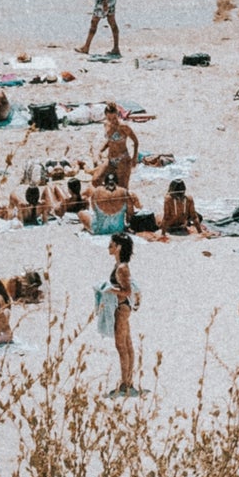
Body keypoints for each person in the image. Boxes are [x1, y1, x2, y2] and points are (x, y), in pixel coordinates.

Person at [104, 235, 138, 395]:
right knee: (127, 344)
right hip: (122, 307)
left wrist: (109, 290)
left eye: (112, 244)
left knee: (122, 346)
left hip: (121, 308)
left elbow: (127, 291)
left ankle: (126, 382)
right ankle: (127, 380)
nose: (109, 247)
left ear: (118, 247)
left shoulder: (122, 268)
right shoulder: (119, 265)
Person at [85, 168, 137, 236]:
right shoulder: (124, 192)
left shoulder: (97, 191)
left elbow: (94, 209)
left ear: (104, 182)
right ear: (117, 182)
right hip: (117, 229)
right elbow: (130, 213)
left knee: (81, 213)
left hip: (99, 229)